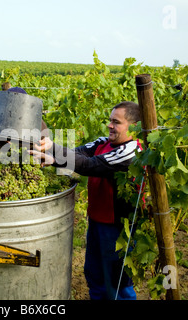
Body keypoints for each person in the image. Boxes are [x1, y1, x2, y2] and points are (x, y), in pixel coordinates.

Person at [30, 101, 142, 300]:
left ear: (133, 126)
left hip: (118, 228)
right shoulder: (103, 143)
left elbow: (91, 165)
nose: (110, 125)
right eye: (110, 120)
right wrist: (54, 158)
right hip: (97, 221)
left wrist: (53, 148)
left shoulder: (131, 152)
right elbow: (78, 154)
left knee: (118, 283)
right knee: (95, 275)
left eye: (116, 122)